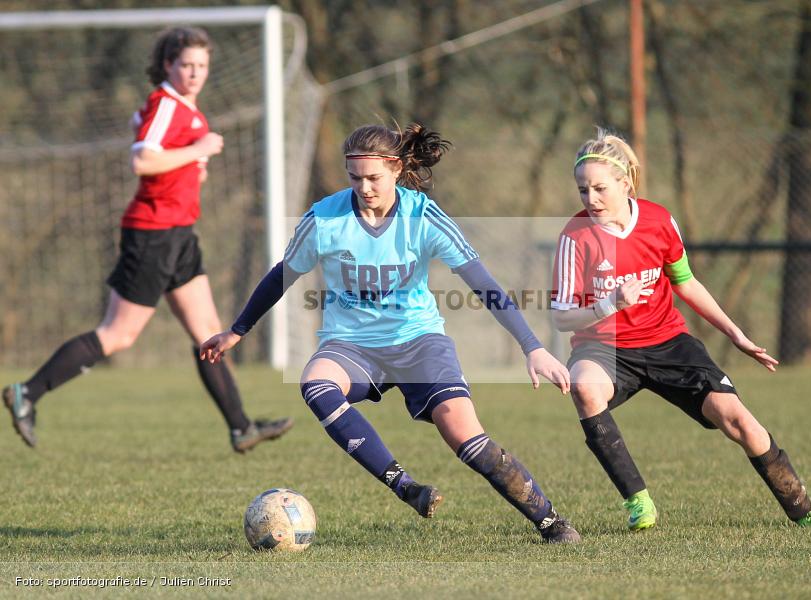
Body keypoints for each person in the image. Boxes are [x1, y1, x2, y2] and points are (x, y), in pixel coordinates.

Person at [201, 123, 581, 543]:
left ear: (397, 169)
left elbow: (484, 284)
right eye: (354, 178)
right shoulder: (324, 218)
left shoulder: (423, 216)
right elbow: (281, 276)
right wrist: (237, 331)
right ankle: (405, 486)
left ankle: (551, 522)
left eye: (373, 178)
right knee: (316, 384)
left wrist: (532, 347)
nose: (363, 188)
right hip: (351, 345)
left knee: (464, 435)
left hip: (419, 341)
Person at [3, 27, 292, 453]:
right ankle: (27, 392)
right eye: (186, 65)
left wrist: (191, 164)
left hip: (179, 234)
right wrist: (198, 150)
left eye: (202, 65)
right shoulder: (167, 103)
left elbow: (148, 134)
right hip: (153, 233)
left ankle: (241, 427)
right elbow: (142, 159)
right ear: (168, 65)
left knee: (208, 334)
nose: (195, 73)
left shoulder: (180, 107)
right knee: (118, 334)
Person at [550, 128, 811, 530]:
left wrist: (735, 334)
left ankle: (803, 511)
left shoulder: (658, 221)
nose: (590, 199)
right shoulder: (574, 236)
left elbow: (685, 282)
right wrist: (609, 303)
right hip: (604, 347)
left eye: (600, 188)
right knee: (584, 387)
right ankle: (638, 502)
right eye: (583, 190)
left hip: (667, 341)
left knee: (738, 421)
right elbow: (561, 317)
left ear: (625, 183)